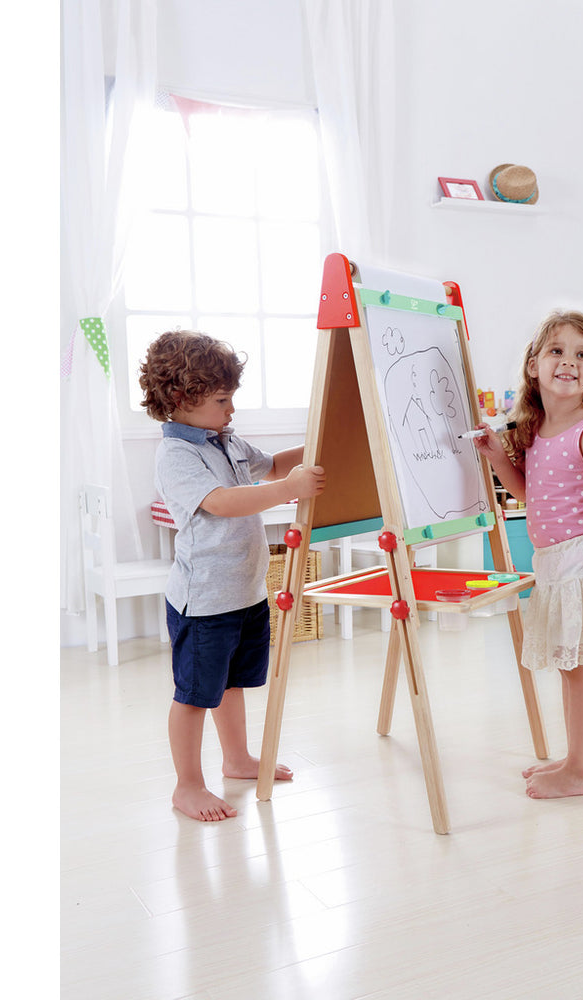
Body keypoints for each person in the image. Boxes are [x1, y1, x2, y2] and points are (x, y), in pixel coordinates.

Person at [138, 330, 326, 821]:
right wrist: (288, 489)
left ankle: (237, 759)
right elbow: (220, 502)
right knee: (195, 696)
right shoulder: (177, 456)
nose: (231, 408)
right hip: (204, 601)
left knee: (231, 684)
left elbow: (273, 467)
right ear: (181, 398)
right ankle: (187, 786)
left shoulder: (225, 440)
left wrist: (320, 439)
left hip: (244, 593)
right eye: (222, 400)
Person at [473, 310, 583, 799]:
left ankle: (579, 771)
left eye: (582, 354)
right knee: (570, 666)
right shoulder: (538, 429)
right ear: (534, 366)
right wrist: (497, 456)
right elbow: (528, 494)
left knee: (578, 669)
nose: (568, 362)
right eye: (557, 351)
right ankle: (576, 758)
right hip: (554, 565)